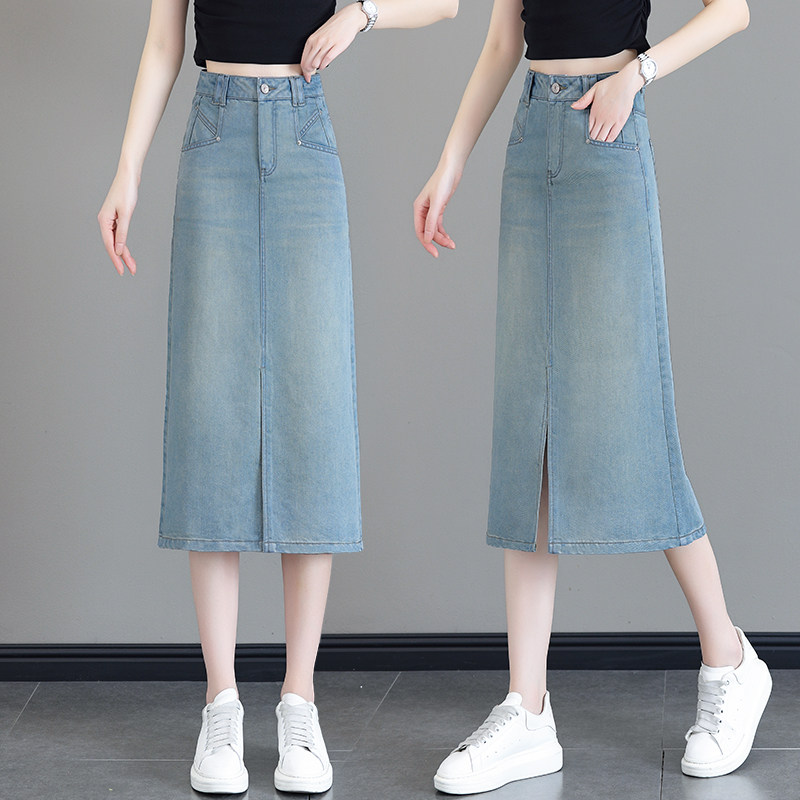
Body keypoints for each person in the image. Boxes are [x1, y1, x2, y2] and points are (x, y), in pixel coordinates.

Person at [98, 0, 458, 794]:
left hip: (302, 135)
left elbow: (446, 3)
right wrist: (127, 168)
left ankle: (300, 704)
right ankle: (221, 707)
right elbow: (163, 42)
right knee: (210, 412)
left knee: (312, 416)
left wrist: (361, 13)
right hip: (215, 135)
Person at [414, 0, 770, 794]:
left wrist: (637, 75)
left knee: (633, 420)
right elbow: (503, 39)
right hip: (531, 139)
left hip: (609, 136)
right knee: (530, 430)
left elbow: (734, 11)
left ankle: (730, 661)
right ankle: (527, 709)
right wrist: (451, 161)